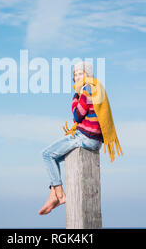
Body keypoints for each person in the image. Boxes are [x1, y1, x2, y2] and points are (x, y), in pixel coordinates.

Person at [38, 61, 104, 215]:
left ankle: (59, 195)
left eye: (80, 73)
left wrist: (75, 96)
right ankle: (53, 193)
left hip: (86, 137)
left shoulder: (86, 89)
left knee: (47, 154)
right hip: (95, 140)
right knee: (55, 158)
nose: (77, 77)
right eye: (75, 74)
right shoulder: (96, 88)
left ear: (88, 75)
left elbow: (77, 116)